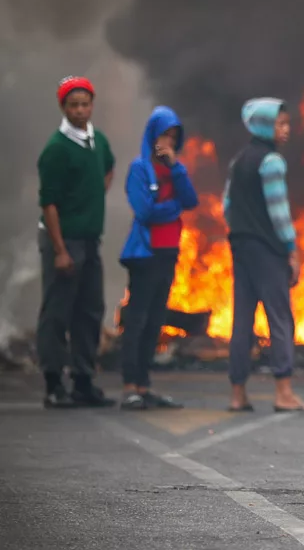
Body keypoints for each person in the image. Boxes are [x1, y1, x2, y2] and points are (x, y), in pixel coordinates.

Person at [222, 97, 304, 413]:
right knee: (280, 318)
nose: (286, 130)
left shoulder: (238, 161)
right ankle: (284, 392)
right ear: (265, 126)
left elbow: (227, 206)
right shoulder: (272, 162)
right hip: (268, 250)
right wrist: (291, 250)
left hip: (241, 246)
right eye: (280, 124)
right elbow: (279, 214)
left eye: (286, 123)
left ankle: (238, 395)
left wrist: (244, 229)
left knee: (242, 321)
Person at [36, 76, 116, 408]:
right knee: (57, 313)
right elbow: (49, 203)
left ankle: (83, 380)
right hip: (64, 240)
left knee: (90, 310)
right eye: (74, 105)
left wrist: (95, 194)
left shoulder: (98, 141)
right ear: (63, 107)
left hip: (90, 240)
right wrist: (60, 250)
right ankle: (54, 383)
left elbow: (109, 168)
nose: (81, 110)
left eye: (85, 104)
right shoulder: (56, 149)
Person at [118, 106, 199, 410]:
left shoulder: (175, 170)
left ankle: (144, 385)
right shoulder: (139, 169)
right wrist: (173, 208)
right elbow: (145, 211)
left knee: (154, 322)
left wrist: (176, 168)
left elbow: (191, 200)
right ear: (153, 135)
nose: (168, 141)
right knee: (137, 320)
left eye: (174, 136)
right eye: (164, 134)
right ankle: (129, 387)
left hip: (169, 253)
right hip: (145, 253)